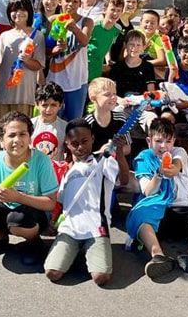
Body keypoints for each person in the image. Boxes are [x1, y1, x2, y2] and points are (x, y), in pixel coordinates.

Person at [127, 118, 188, 279]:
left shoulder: (179, 152)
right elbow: (148, 192)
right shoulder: (143, 158)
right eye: (158, 141)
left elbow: (175, 167)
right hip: (156, 211)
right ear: (149, 141)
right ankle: (157, 256)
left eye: (168, 141)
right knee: (139, 216)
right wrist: (158, 174)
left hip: (180, 210)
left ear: (174, 141)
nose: (164, 146)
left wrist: (168, 169)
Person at [44, 118, 131, 286]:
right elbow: (62, 203)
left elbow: (124, 179)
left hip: (96, 230)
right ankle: (75, 249)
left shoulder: (103, 161)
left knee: (100, 277)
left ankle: (87, 250)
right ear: (67, 144)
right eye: (74, 143)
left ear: (92, 138)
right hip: (69, 230)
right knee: (52, 273)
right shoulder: (68, 171)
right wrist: (53, 222)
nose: (80, 147)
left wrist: (119, 151)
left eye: (84, 141)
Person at [0, 111, 57, 264]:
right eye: (11, 135)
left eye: (22, 134)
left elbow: (50, 202)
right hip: (4, 212)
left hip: (33, 214)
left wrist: (18, 197)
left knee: (17, 220)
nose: (17, 140)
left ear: (29, 137)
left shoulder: (41, 160)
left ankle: (33, 242)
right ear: (1, 141)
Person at [0, 0, 45, 121]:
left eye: (23, 10)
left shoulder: (37, 36)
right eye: (14, 10)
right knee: (4, 131)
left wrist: (27, 60)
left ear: (29, 12)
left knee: (22, 130)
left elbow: (39, 65)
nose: (18, 13)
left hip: (25, 96)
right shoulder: (4, 36)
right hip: (4, 95)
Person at [46, 0, 92, 121]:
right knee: (53, 119)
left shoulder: (86, 21)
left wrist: (74, 28)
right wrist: (55, 50)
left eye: (75, 1)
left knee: (74, 121)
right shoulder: (52, 20)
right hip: (55, 79)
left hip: (77, 79)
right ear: (60, 1)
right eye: (67, 0)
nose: (71, 4)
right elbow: (46, 50)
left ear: (80, 2)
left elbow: (84, 42)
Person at [85, 77, 132, 158]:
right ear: (93, 98)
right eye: (107, 94)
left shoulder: (120, 118)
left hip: (115, 164)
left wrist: (113, 151)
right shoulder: (86, 123)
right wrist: (101, 152)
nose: (113, 97)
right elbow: (82, 152)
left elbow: (127, 148)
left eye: (114, 94)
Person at [87, 0, 124, 82]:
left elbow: (109, 44)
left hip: (97, 68)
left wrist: (108, 59)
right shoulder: (93, 25)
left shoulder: (117, 29)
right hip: (84, 66)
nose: (115, 13)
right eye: (112, 10)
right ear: (104, 10)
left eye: (119, 10)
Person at [109, 30, 157, 98]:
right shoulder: (117, 67)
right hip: (120, 102)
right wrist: (120, 100)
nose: (134, 48)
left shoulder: (148, 67)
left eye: (138, 45)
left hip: (140, 102)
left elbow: (151, 92)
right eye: (131, 44)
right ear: (125, 45)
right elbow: (111, 91)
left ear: (143, 47)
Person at [31, 82, 68, 161]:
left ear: (60, 105)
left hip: (54, 171)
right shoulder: (30, 125)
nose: (48, 109)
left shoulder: (65, 127)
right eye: (44, 105)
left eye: (53, 105)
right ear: (37, 104)